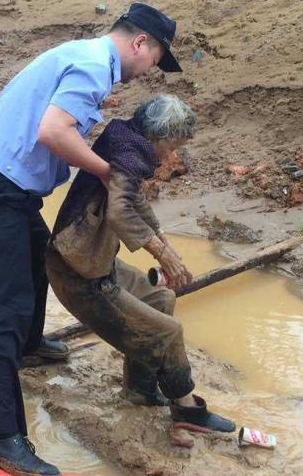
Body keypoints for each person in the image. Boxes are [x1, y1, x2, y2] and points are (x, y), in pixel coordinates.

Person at [0, 3, 183, 476]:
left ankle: (31, 343)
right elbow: (53, 131)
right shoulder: (96, 66)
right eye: (155, 58)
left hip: (6, 187)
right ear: (140, 43)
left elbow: (53, 117)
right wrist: (108, 172)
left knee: (39, 260)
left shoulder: (83, 56)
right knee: (5, 310)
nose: (148, 72)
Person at [46, 95, 237, 435]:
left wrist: (165, 243)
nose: (171, 155)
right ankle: (186, 409)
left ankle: (141, 389)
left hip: (92, 260)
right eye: (173, 145)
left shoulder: (124, 136)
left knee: (161, 298)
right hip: (78, 274)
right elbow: (121, 211)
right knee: (168, 332)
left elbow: (133, 198)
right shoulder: (134, 152)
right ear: (161, 137)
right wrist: (161, 255)